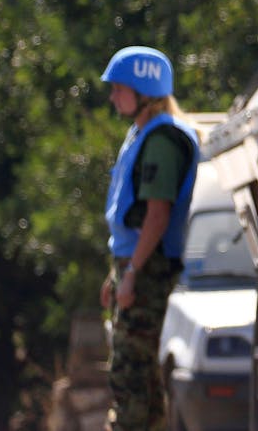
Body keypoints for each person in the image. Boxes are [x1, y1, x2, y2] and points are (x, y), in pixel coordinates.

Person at [99, 45, 200, 431]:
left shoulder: (162, 140)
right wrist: (117, 273)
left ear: (144, 92)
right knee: (139, 376)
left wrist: (132, 274)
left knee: (131, 374)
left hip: (149, 270)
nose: (113, 97)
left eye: (119, 89)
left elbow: (156, 216)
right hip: (135, 265)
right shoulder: (142, 133)